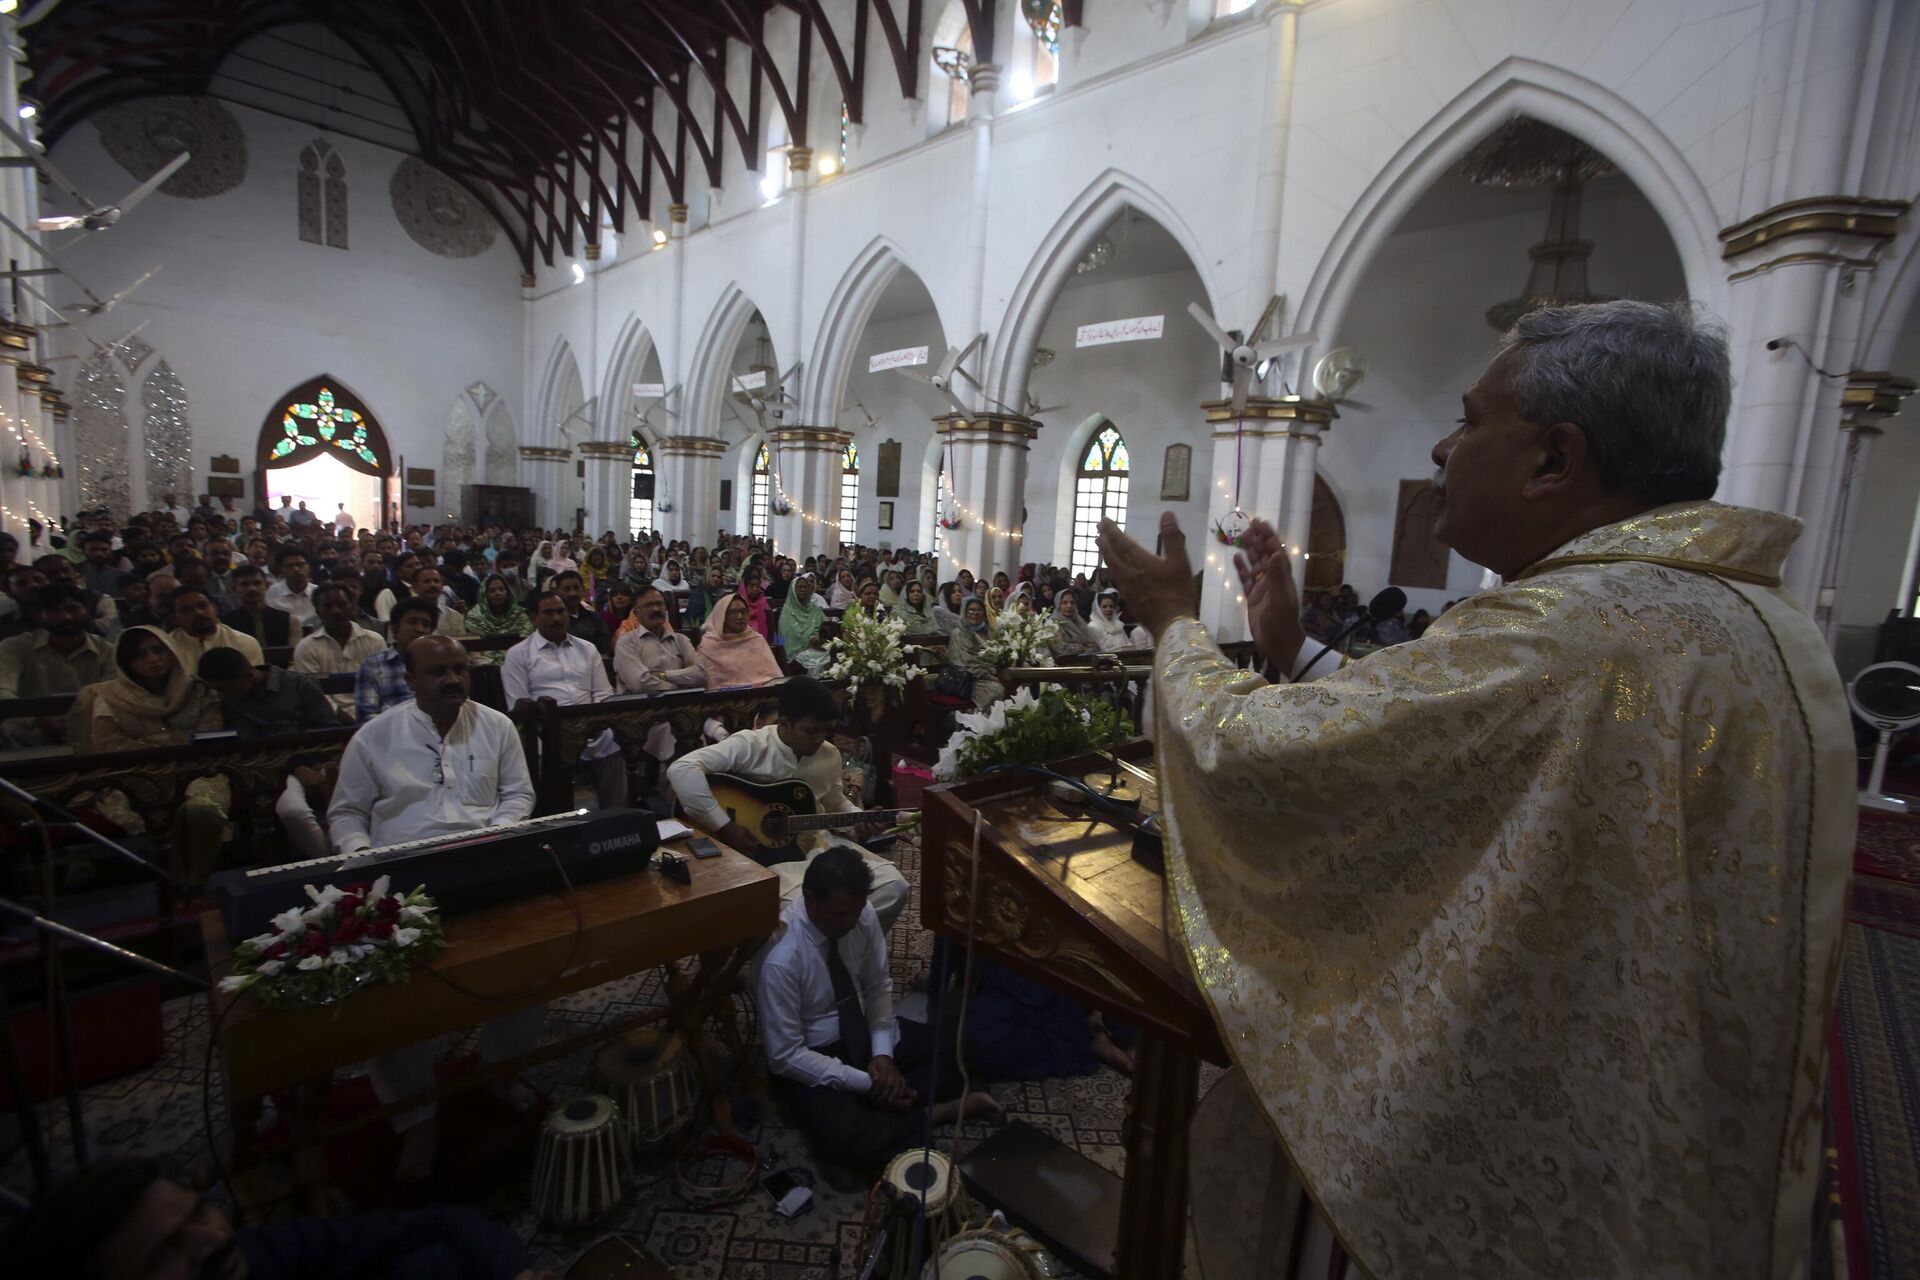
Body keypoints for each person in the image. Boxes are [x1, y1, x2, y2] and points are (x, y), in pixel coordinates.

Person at [1096, 300, 1853, 1279]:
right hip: (1664, 1118)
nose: (1445, 449)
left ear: (1554, 459)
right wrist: (1294, 649)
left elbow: (1250, 749)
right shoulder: (1736, 614)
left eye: (1468, 420)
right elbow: (1459, 749)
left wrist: (1173, 623)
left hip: (1525, 1126)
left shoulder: (1570, 625)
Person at [330, 634, 542, 1182]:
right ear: (412, 678)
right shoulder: (375, 736)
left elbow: (519, 795)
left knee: (530, 964)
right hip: (400, 875)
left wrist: (496, 834)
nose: (452, 680)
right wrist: (362, 860)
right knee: (400, 997)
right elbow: (347, 812)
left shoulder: (496, 726)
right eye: (438, 671)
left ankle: (499, 1068)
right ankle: (416, 1117)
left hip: (486, 863)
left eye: (460, 669)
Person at [755, 846, 1000, 1171]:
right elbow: (785, 1056)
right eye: (839, 914)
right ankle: (930, 1112)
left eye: (855, 912)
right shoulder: (781, 960)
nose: (850, 922)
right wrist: (866, 1082)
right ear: (810, 900)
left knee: (963, 1051)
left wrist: (882, 1054)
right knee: (844, 1141)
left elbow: (877, 986)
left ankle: (888, 1107)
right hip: (816, 1055)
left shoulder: (861, 914)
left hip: (864, 1034)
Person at [668, 677, 908, 929]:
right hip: (766, 861)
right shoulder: (750, 745)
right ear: (785, 723)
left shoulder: (829, 754)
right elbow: (682, 769)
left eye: (825, 730)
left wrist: (860, 819)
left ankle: (839, 952)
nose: (820, 739)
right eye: (811, 731)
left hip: (818, 847)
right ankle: (809, 956)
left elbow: (836, 802)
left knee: (893, 887)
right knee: (804, 911)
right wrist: (725, 826)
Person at [502, 591, 628, 810]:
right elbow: (519, 705)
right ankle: (553, 819)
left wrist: (595, 723)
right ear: (534, 618)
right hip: (546, 731)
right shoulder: (518, 654)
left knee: (614, 744)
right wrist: (558, 728)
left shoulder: (587, 649)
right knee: (538, 754)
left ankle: (615, 816)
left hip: (591, 727)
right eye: (548, 613)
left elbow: (602, 693)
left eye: (560, 611)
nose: (556, 618)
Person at [0, 583, 112, 746]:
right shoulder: (15, 647)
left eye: (72, 609)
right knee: (10, 727)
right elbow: (2, 691)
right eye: (54, 611)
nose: (65, 617)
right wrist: (36, 719)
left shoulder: (108, 651)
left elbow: (115, 696)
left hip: (95, 729)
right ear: (39, 615)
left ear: (86, 610)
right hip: (32, 733)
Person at [75, 626, 219, 752]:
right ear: (126, 662)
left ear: (172, 652)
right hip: (135, 771)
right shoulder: (111, 697)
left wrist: (154, 741)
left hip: (194, 765)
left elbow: (211, 732)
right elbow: (109, 744)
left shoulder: (197, 688)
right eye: (140, 655)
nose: (153, 659)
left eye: (158, 650)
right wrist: (170, 742)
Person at [196, 647, 339, 738]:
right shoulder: (224, 701)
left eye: (224, 689)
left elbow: (330, 733)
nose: (221, 695)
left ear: (249, 677)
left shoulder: (299, 686)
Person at [292, 581, 386, 717]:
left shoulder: (374, 641)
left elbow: (382, 685)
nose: (336, 611)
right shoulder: (306, 647)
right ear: (318, 612)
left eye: (342, 604)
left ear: (352, 607)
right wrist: (343, 718)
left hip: (374, 714)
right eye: (328, 606)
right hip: (329, 719)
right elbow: (315, 695)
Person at [354, 599, 440, 722]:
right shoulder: (373, 665)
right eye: (412, 622)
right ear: (394, 629)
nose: (420, 629)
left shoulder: (441, 664)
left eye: (426, 625)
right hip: (390, 735)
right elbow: (367, 716)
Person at [694, 592, 783, 688]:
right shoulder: (709, 646)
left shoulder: (756, 639)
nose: (740, 617)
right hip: (726, 699)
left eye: (743, 611)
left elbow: (775, 677)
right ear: (722, 616)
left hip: (765, 694)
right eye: (733, 612)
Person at [168, 585, 265, 667]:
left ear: (215, 608)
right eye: (187, 610)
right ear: (174, 619)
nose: (198, 613)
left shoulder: (244, 642)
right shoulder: (168, 648)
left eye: (203, 605)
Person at [941, 598, 1004, 710]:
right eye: (971, 610)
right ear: (965, 613)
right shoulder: (959, 634)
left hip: (992, 673)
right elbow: (967, 663)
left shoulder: (989, 632)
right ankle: (981, 724)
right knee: (996, 690)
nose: (974, 613)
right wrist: (990, 677)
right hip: (969, 678)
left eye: (979, 610)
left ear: (984, 614)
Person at [464, 571, 533, 661]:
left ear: (507, 592)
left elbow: (526, 641)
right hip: (483, 664)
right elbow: (473, 649)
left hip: (516, 659)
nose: (498, 593)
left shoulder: (518, 614)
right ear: (484, 594)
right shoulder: (475, 616)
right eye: (492, 590)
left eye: (501, 589)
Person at [222, 564, 294, 648]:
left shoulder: (290, 621)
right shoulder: (225, 625)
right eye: (245, 585)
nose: (252, 588)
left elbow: (293, 656)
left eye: (257, 583)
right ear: (234, 589)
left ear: (267, 585)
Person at [552, 569, 609, 654]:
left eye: (576, 588)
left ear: (583, 589)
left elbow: (604, 647)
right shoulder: (552, 620)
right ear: (557, 592)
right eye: (567, 589)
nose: (573, 593)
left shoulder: (594, 618)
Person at [265, 547, 317, 629]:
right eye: (289, 566)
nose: (296, 569)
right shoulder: (270, 594)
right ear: (281, 570)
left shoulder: (318, 592)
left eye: (300, 564)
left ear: (308, 567)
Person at [1048, 587, 1097, 658]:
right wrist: (1083, 648)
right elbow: (1060, 648)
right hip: (1064, 664)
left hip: (1086, 660)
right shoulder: (1052, 623)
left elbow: (1093, 643)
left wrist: (1088, 651)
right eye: (1065, 603)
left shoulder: (1078, 619)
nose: (1069, 606)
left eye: (1072, 602)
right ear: (1058, 605)